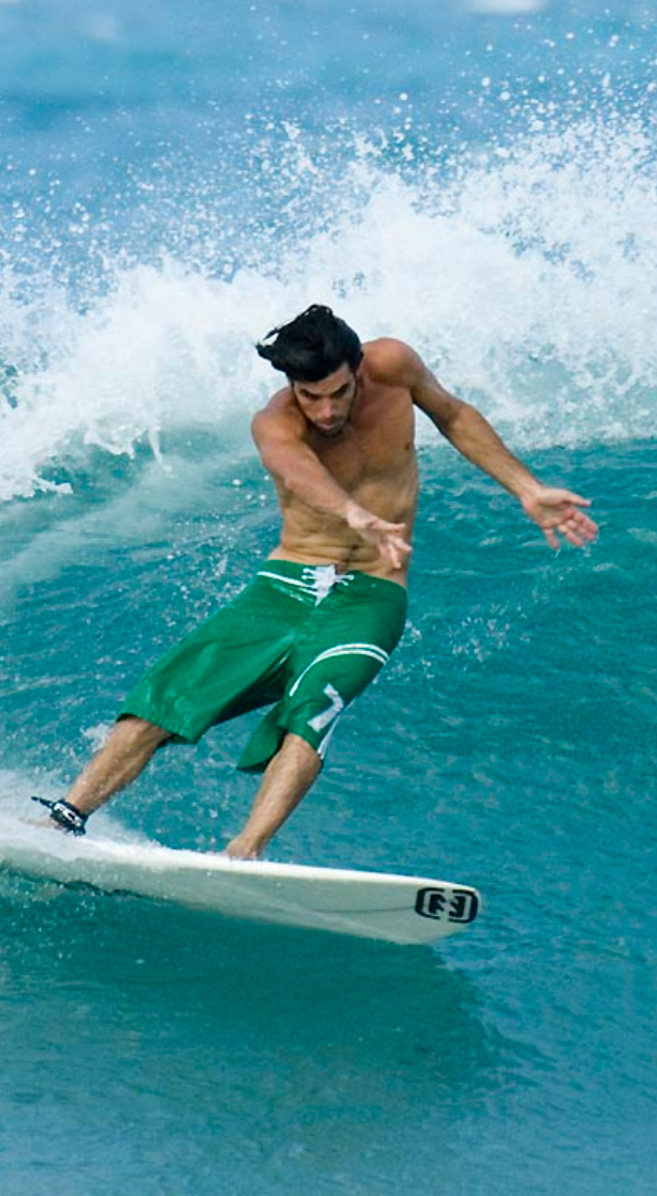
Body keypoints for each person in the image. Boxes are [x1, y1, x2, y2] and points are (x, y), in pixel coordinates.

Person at [35, 303, 598, 858]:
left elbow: (452, 415)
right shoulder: (273, 422)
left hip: (372, 593)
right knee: (159, 703)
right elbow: (297, 470)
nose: (326, 411)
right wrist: (353, 512)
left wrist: (526, 488)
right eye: (311, 398)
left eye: (338, 393)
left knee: (313, 712)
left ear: (358, 370)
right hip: (283, 585)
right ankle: (64, 819)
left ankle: (244, 853)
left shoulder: (395, 366)